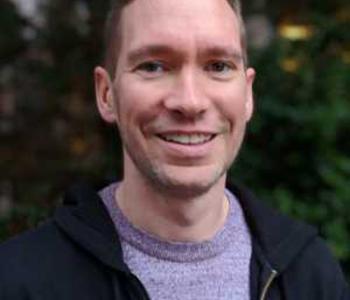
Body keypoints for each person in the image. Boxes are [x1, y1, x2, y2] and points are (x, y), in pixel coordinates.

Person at [0, 0, 348, 299]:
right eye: (153, 66)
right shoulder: (21, 282)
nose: (190, 101)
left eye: (218, 66)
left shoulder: (309, 275)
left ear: (247, 93)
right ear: (107, 94)